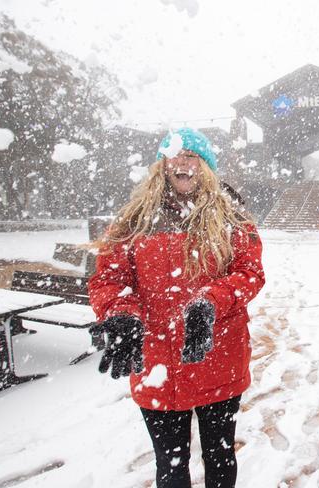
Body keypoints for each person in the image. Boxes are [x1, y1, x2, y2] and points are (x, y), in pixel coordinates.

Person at [87, 127, 265, 488]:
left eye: (192, 157)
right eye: (175, 156)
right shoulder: (133, 221)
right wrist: (119, 313)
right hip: (156, 363)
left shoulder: (232, 217)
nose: (182, 164)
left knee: (219, 457)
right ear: (162, 165)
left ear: (207, 167)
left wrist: (210, 302)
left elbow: (250, 273)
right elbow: (109, 280)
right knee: (170, 465)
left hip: (218, 355)